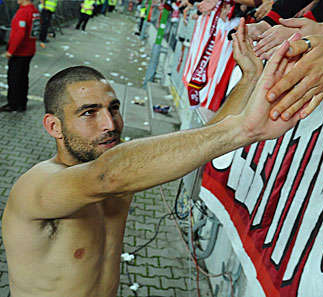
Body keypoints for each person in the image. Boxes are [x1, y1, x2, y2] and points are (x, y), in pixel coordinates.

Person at [1, 19, 299, 296]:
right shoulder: (38, 186)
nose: (110, 123)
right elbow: (105, 176)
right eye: (89, 112)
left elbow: (202, 139)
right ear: (54, 126)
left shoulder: (124, 168)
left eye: (113, 108)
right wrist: (244, 129)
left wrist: (249, 79)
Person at [1, 0, 39, 112]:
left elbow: (20, 34)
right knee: (23, 78)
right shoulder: (34, 11)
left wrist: (11, 51)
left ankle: (13, 104)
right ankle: (22, 104)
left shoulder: (23, 12)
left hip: (20, 52)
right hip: (29, 50)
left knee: (14, 79)